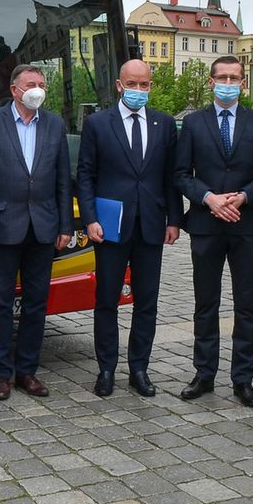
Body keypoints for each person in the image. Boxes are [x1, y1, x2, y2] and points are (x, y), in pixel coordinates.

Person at [173, 55, 253, 407]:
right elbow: (181, 174)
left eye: (235, 77)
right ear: (210, 81)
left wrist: (245, 197)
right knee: (206, 303)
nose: (228, 83)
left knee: (247, 305)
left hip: (247, 225)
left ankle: (244, 378)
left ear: (243, 83)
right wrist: (208, 198)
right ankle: (204, 373)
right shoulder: (193, 123)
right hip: (206, 224)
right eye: (223, 77)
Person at [0, 63, 73, 400]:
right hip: (0, 226)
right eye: (31, 83)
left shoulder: (54, 124)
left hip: (43, 227)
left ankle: (27, 371)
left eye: (41, 83)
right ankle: (0, 374)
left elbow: (61, 178)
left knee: (36, 303)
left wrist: (65, 225)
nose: (37, 89)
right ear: (14, 89)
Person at [76, 59, 182, 398]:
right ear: (120, 85)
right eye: (132, 84)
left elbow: (171, 177)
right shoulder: (97, 123)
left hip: (151, 225)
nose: (139, 90)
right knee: (106, 298)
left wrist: (175, 220)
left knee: (146, 300)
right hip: (110, 226)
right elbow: (86, 175)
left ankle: (139, 368)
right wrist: (89, 218)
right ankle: (106, 368)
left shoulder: (164, 124)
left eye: (145, 85)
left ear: (150, 86)